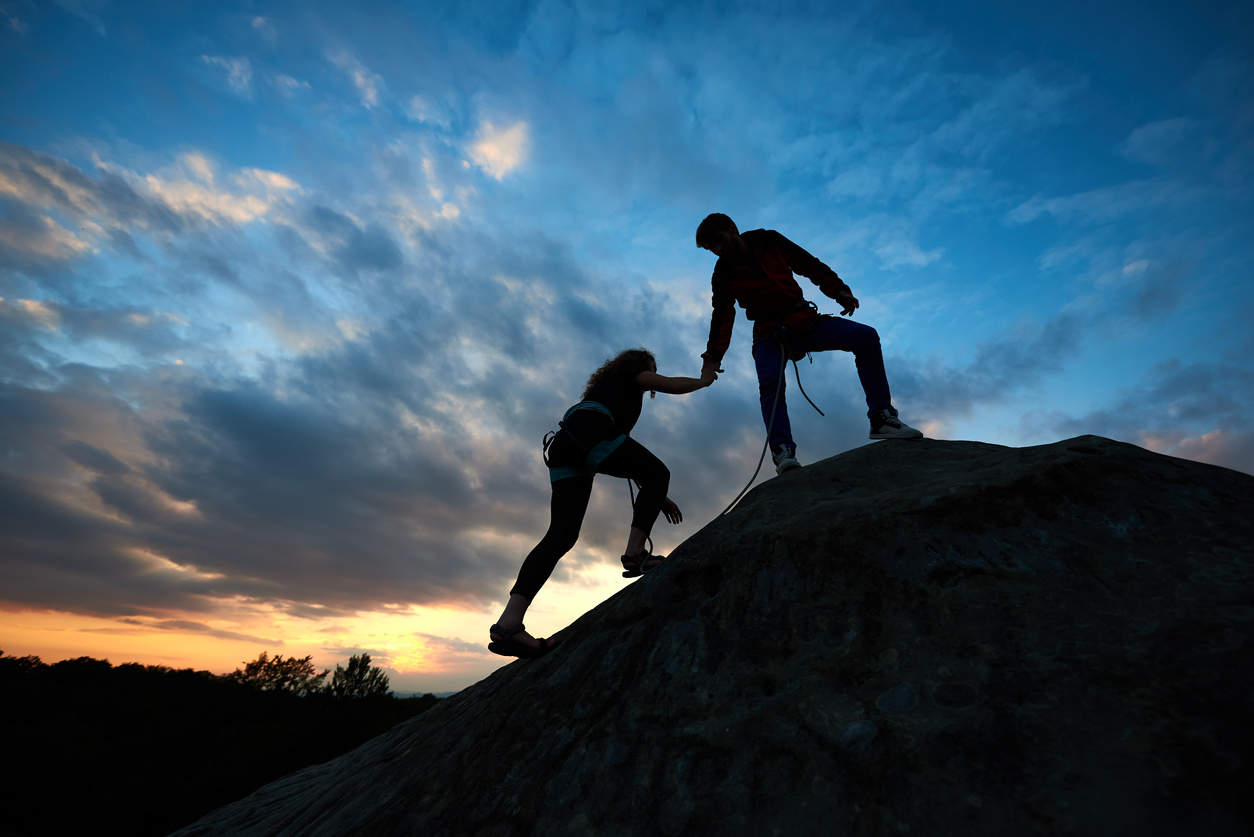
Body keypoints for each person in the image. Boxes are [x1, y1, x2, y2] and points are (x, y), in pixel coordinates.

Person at [489, 348, 716, 659]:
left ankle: (508, 623)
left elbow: (621, 457)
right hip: (589, 431)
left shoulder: (610, 390)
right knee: (659, 472)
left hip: (567, 443)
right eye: (650, 368)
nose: (649, 375)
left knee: (562, 535)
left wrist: (655, 493)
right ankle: (635, 554)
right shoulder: (630, 370)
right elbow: (670, 385)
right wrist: (703, 381)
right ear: (639, 364)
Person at [695, 213, 923, 475]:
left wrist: (838, 290)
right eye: (711, 248)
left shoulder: (767, 240)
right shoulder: (722, 273)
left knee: (865, 336)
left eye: (718, 240)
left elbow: (808, 264)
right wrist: (713, 356)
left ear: (733, 228)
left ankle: (882, 418)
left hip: (804, 319)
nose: (718, 249)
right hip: (768, 334)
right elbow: (722, 315)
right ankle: (782, 451)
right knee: (770, 383)